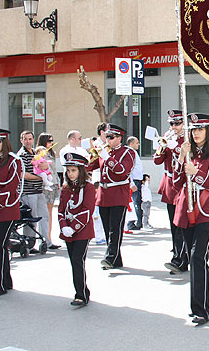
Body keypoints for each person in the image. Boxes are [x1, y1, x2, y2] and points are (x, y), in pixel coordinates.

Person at [171, 113, 209, 326]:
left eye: (200, 129)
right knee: (193, 258)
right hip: (186, 209)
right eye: (193, 129)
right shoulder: (188, 152)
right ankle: (198, 304)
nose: (196, 133)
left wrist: (196, 174)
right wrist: (180, 157)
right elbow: (176, 182)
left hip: (206, 210)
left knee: (197, 257)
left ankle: (201, 310)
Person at [87, 124, 135, 270]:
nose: (108, 140)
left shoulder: (128, 152)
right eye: (106, 137)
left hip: (118, 193)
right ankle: (116, 259)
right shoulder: (104, 152)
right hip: (103, 193)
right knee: (107, 228)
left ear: (120, 138)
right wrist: (91, 154)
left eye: (111, 137)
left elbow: (122, 171)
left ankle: (109, 257)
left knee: (116, 228)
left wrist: (106, 156)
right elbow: (89, 166)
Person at [0, 128, 24, 296]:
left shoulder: (13, 161)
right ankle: (6, 281)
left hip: (6, 209)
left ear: (4, 142)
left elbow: (11, 187)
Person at [58, 152, 95, 307]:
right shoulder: (66, 188)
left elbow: (87, 210)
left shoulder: (89, 187)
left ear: (80, 170)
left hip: (82, 230)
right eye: (68, 171)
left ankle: (80, 294)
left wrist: (73, 228)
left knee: (77, 260)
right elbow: (60, 209)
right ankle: (83, 290)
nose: (70, 174)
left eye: (73, 170)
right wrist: (64, 226)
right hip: (67, 230)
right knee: (74, 262)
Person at [155, 110, 188, 274]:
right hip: (170, 184)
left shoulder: (187, 139)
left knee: (182, 224)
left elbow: (189, 158)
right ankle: (179, 254)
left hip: (182, 184)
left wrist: (175, 147)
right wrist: (162, 145)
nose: (174, 127)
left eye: (177, 123)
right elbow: (157, 160)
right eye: (172, 124)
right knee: (173, 225)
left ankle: (180, 259)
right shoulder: (168, 138)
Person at [17, 130, 48, 253]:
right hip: (28, 192)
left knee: (43, 216)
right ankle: (29, 244)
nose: (28, 141)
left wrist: (45, 168)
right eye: (25, 139)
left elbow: (44, 167)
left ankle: (46, 240)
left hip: (39, 190)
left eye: (30, 139)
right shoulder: (21, 154)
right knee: (31, 219)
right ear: (21, 140)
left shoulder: (36, 153)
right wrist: (38, 177)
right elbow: (21, 174)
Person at [37, 133, 61, 249]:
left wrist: (58, 183)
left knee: (50, 212)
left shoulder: (52, 153)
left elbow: (54, 170)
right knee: (46, 213)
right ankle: (46, 239)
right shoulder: (40, 153)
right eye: (49, 141)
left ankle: (49, 238)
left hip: (54, 183)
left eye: (52, 140)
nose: (51, 143)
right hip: (46, 184)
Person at [126, 136, 143, 230]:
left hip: (137, 180)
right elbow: (129, 169)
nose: (138, 144)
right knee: (134, 202)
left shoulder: (134, 152)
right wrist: (131, 183)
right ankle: (132, 222)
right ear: (131, 144)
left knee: (138, 202)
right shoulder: (129, 152)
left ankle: (137, 222)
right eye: (137, 143)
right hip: (134, 181)